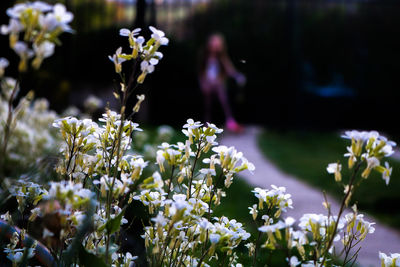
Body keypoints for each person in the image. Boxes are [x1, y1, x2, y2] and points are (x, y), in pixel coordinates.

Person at [198, 33, 246, 133]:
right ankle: (206, 124)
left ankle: (230, 121)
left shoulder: (222, 58)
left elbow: (230, 70)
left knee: (223, 98)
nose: (215, 47)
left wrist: (238, 76)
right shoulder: (204, 57)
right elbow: (201, 73)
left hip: (218, 84)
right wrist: (203, 83)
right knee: (208, 104)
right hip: (207, 84)